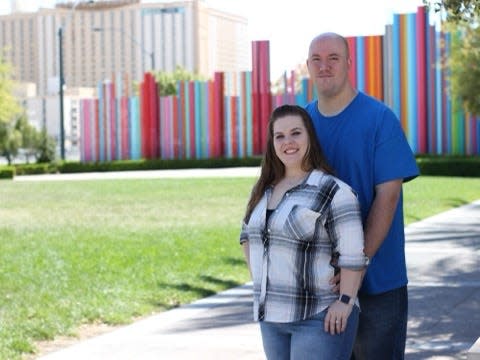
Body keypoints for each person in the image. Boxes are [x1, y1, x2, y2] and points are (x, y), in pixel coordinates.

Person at [305, 32, 420, 359]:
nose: (324, 66)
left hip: (378, 281)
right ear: (308, 66)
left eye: (333, 58)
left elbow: (388, 198)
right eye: (317, 59)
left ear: (349, 64)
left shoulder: (379, 119)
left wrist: (355, 266)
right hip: (320, 285)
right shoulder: (302, 125)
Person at [239, 104, 368, 360]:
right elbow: (247, 238)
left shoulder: (333, 191)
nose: (288, 142)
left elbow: (353, 254)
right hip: (271, 318)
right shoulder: (263, 190)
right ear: (272, 143)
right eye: (280, 136)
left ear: (309, 136)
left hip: (318, 315)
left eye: (296, 133)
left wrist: (345, 302)